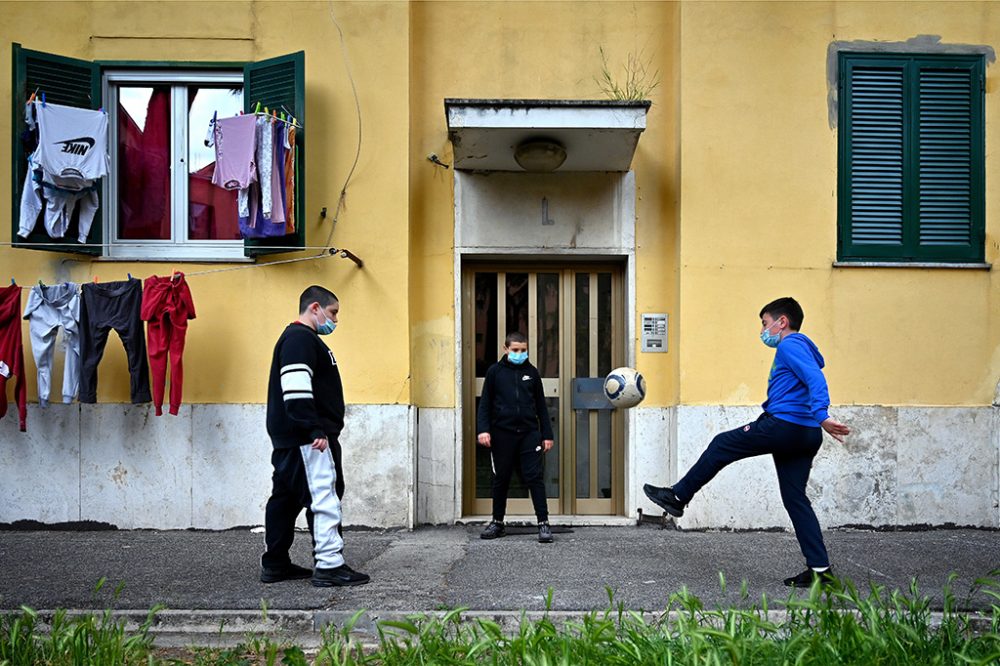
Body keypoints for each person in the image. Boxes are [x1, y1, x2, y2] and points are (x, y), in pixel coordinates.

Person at [643, 297, 850, 588]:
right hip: (805, 434)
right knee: (796, 499)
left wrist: (822, 415)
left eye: (765, 323)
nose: (763, 331)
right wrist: (817, 420)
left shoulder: (790, 344)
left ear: (782, 322)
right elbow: (810, 377)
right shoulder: (802, 347)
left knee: (721, 445)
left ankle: (678, 497)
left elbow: (815, 378)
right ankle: (820, 570)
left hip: (784, 426)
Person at [260, 285, 370, 587]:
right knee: (324, 496)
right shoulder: (300, 338)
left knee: (284, 499)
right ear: (315, 308)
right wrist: (313, 429)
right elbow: (295, 387)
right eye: (333, 312)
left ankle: (275, 563)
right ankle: (330, 564)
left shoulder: (299, 339)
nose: (335, 319)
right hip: (308, 439)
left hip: (292, 439)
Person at [477, 332, 556, 543]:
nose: (520, 354)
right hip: (502, 434)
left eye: (523, 350)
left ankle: (544, 524)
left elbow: (541, 405)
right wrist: (483, 430)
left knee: (534, 477)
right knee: (501, 479)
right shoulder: (495, 372)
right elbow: (485, 403)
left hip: (529, 434)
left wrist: (547, 435)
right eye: (515, 350)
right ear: (506, 349)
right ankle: (497, 523)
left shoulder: (532, 373)